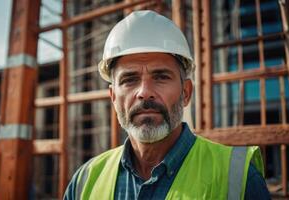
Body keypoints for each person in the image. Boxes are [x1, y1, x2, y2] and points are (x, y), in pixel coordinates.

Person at [64, 10, 270, 200]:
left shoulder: (238, 179)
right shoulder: (85, 181)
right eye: (129, 79)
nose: (144, 92)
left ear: (186, 93)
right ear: (113, 97)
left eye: (161, 76)